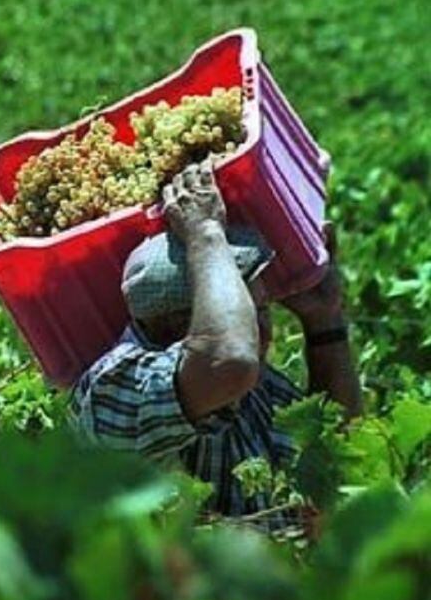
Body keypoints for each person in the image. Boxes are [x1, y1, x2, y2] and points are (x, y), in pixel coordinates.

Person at [71, 162, 361, 521]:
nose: (264, 332)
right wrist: (205, 232)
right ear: (176, 325)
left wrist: (324, 322)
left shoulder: (258, 389)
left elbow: (339, 449)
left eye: (264, 311)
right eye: (248, 314)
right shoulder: (116, 386)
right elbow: (230, 360)